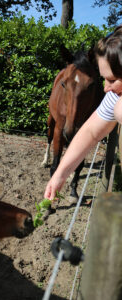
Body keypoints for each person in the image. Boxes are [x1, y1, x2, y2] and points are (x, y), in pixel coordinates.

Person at [44, 25, 122, 201]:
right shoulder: (113, 96)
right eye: (103, 79)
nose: (106, 88)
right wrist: (59, 175)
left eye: (112, 80)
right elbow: (91, 131)